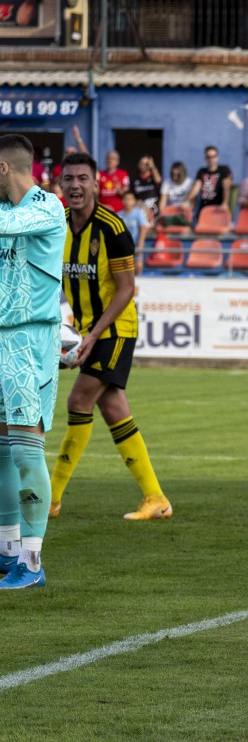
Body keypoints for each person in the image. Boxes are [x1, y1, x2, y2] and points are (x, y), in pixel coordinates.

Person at [49, 152, 172, 522]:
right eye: (68, 178)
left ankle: (50, 498)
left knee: (78, 400)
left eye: (82, 178)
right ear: (60, 184)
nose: (74, 185)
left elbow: (126, 290)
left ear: (96, 182)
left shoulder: (113, 228)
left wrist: (91, 337)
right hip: (88, 330)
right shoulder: (58, 225)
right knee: (113, 406)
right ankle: (156, 498)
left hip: (116, 328)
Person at [0, 134, 67, 589]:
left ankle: (33, 561)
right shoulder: (6, 213)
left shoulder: (48, 207)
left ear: (4, 168)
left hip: (29, 340)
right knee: (3, 449)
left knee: (26, 448)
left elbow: (14, 224)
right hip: (3, 340)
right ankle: (8, 551)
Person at [184, 145, 233, 215]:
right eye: (209, 157)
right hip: (204, 209)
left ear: (217, 158)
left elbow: (227, 187)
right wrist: (186, 201)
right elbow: (196, 187)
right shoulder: (201, 171)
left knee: (226, 183)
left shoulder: (224, 170)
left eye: (214, 156)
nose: (211, 159)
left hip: (220, 208)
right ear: (205, 159)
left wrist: (225, 203)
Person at [118, 190, 150, 266]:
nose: (127, 201)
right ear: (122, 201)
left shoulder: (138, 213)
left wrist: (140, 246)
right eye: (126, 199)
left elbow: (143, 228)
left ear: (134, 201)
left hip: (136, 246)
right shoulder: (118, 215)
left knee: (138, 267)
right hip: (123, 248)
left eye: (130, 199)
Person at [98, 150, 130, 214]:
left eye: (112, 158)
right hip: (103, 211)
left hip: (119, 212)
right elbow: (95, 194)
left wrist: (121, 190)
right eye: (108, 158)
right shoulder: (100, 174)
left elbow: (127, 192)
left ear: (117, 162)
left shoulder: (123, 174)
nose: (110, 160)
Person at [131, 155, 162, 221]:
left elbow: (158, 180)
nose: (143, 166)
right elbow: (132, 196)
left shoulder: (154, 177)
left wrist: (152, 166)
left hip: (155, 214)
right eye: (141, 163)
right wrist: (137, 202)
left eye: (146, 164)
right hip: (141, 213)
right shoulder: (135, 180)